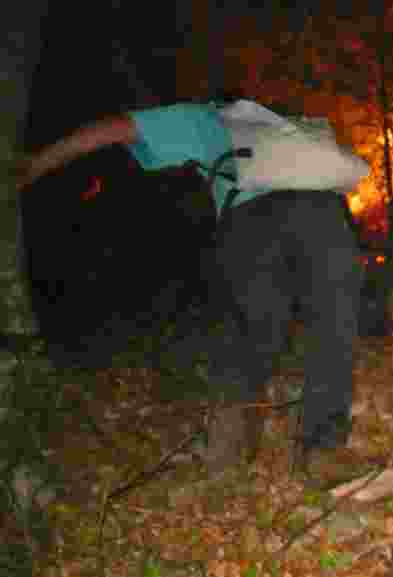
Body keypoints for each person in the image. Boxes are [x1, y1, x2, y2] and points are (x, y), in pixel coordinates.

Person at [15, 101, 364, 488]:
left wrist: (37, 163)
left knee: (252, 333)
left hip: (247, 220)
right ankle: (323, 449)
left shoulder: (210, 116)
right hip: (319, 209)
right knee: (334, 317)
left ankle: (227, 451)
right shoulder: (300, 125)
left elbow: (114, 128)